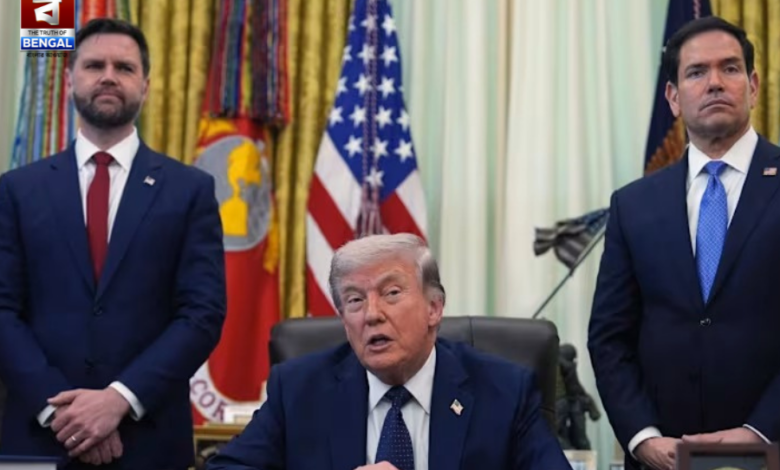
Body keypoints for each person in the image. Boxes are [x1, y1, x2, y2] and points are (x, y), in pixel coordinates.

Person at [0, 18, 226, 469]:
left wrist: (119, 399)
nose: (108, 76)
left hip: (147, 440)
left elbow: (201, 314)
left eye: (124, 68)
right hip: (39, 437)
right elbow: (3, 310)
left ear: (146, 85)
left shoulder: (189, 190)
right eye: (94, 65)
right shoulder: (17, 190)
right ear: (70, 80)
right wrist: (63, 413)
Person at [588, 15, 780, 470]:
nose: (715, 82)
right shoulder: (633, 204)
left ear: (753, 86)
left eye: (729, 68)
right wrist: (643, 438)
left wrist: (758, 433)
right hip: (662, 458)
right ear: (673, 98)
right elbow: (610, 337)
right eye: (696, 72)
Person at [205, 233, 570, 470]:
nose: (372, 314)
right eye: (354, 300)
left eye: (391, 293)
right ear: (343, 320)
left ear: (434, 308)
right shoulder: (299, 389)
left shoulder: (503, 391)